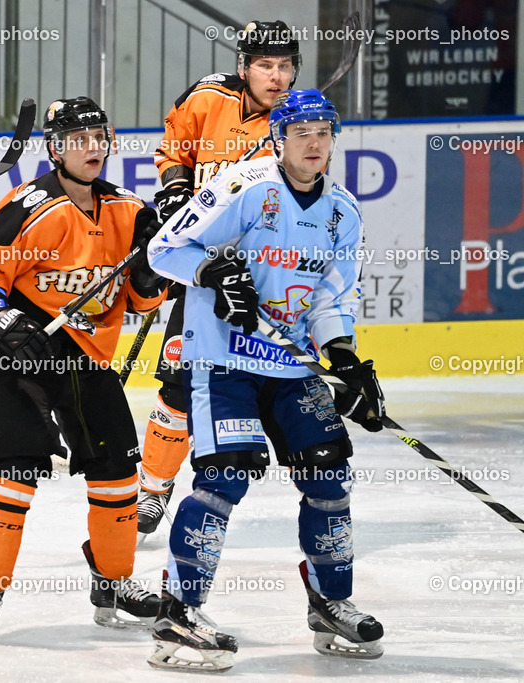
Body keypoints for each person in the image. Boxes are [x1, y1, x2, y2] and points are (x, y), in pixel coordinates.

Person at [144, 89, 385, 671]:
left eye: (323, 132)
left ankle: (331, 600)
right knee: (223, 478)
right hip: (223, 360)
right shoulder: (242, 186)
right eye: (301, 132)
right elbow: (163, 247)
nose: (313, 142)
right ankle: (179, 613)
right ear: (278, 138)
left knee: (328, 474)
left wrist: (344, 357)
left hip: (291, 367)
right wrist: (210, 269)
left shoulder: (343, 212)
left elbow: (332, 296)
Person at [0, 97, 168, 638]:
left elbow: (143, 303)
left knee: (118, 473)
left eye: (99, 137)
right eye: (78, 139)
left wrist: (147, 278)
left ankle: (113, 578)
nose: (92, 147)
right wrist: (0, 319)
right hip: (20, 353)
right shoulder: (26, 207)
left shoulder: (132, 212)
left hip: (88, 359)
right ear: (56, 147)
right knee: (15, 468)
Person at [137, 20, 301, 535]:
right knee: (179, 382)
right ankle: (152, 487)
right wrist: (172, 192)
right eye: (266, 66)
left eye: (286, 67)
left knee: (262, 385)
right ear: (243, 67)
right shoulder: (205, 98)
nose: (277, 78)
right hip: (201, 269)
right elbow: (174, 151)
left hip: (258, 274)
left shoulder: (297, 123)